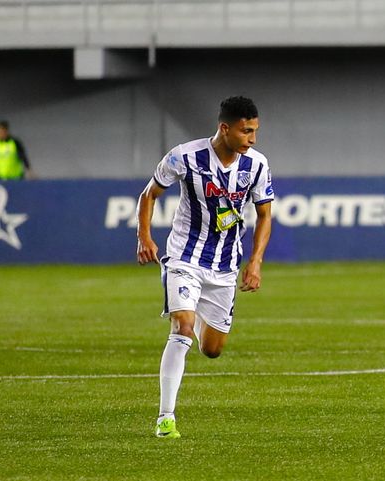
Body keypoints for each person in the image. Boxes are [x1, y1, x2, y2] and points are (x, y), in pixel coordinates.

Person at [136, 96, 274, 438]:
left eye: (255, 131)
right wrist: (144, 236)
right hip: (184, 257)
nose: (252, 139)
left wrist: (255, 262)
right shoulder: (185, 156)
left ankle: (193, 309)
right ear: (224, 128)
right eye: (246, 131)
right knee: (182, 328)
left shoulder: (257, 165)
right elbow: (149, 194)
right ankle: (165, 418)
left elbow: (265, 214)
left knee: (212, 349)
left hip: (225, 266)